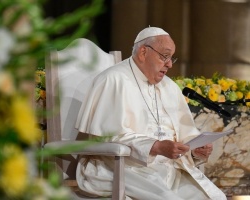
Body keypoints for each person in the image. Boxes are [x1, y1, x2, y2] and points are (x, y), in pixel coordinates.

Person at [75, 26, 227, 200]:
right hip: (121, 168)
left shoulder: (169, 86)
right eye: (165, 56)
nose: (169, 64)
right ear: (143, 52)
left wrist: (194, 150)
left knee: (215, 198)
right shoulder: (113, 79)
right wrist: (156, 146)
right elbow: (105, 137)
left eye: (171, 58)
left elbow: (184, 136)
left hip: (169, 170)